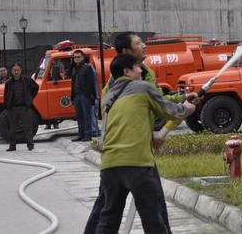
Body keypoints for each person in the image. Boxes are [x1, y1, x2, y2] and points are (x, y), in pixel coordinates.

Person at [84, 31, 183, 233]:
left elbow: (153, 105)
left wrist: (157, 133)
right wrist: (184, 107)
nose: (144, 45)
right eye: (138, 43)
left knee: (111, 212)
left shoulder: (143, 73)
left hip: (119, 159)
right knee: (148, 212)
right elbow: (165, 109)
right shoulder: (128, 84)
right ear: (126, 52)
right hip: (135, 156)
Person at [3, 63, 39, 151]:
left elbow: (36, 87)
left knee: (27, 128)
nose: (16, 72)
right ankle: (12, 146)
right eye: (14, 70)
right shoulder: (8, 82)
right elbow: (5, 95)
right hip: (12, 108)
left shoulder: (27, 80)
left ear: (20, 70)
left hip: (24, 108)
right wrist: (8, 105)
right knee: (12, 129)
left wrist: (30, 98)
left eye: (18, 70)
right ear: (11, 71)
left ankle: (30, 145)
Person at [71, 50, 97, 142]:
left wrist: (87, 94)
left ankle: (88, 135)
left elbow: (91, 83)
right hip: (77, 95)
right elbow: (73, 83)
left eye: (78, 57)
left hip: (85, 96)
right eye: (75, 57)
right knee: (79, 116)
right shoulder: (74, 69)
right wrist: (72, 97)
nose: (76, 59)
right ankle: (80, 134)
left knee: (87, 116)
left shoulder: (88, 68)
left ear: (83, 57)